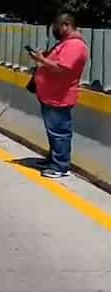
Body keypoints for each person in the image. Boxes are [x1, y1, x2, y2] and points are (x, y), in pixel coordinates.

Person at [29, 13, 89, 178]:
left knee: (60, 132)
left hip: (60, 97)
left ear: (66, 25)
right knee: (53, 131)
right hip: (51, 95)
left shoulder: (75, 45)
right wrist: (41, 60)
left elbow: (62, 69)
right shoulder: (65, 44)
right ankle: (53, 159)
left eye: (56, 27)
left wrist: (42, 60)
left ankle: (60, 166)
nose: (54, 30)